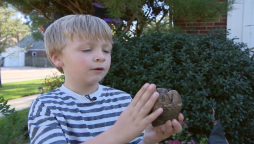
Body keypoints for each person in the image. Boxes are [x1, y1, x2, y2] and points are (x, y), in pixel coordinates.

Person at [27, 14, 184, 144]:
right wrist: (116, 135)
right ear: (57, 58)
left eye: (106, 50)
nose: (100, 57)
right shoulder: (47, 106)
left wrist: (147, 141)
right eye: (87, 49)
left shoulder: (122, 100)